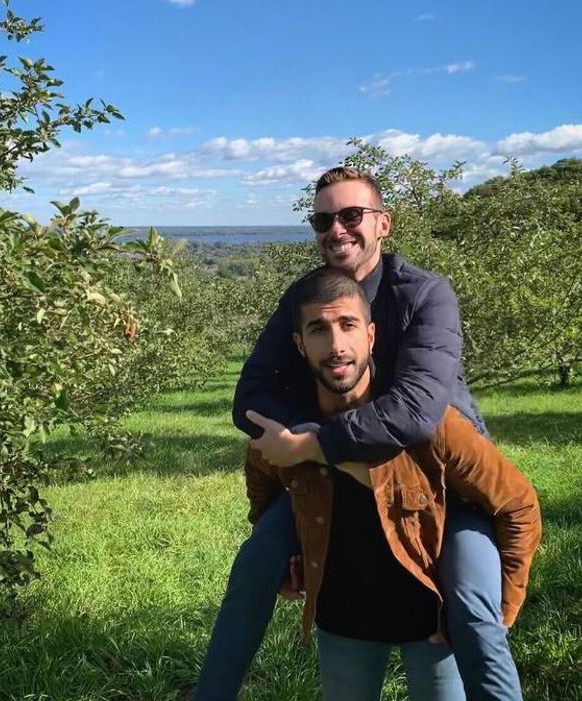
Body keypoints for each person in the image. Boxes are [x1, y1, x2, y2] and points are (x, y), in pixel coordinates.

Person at [193, 167, 523, 701]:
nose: (337, 229)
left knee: (469, 603)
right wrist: (312, 452)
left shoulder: (423, 294)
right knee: (257, 559)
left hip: (440, 474)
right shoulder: (309, 299)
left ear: (383, 224)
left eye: (351, 215)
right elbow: (251, 398)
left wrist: (308, 444)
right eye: (323, 219)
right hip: (341, 470)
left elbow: (415, 411)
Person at [241, 267, 540, 700]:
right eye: (319, 330)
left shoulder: (430, 425)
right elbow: (261, 479)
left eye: (348, 325)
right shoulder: (283, 429)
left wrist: (503, 609)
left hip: (431, 621)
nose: (337, 346)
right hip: (343, 619)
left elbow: (518, 505)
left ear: (372, 336)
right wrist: (283, 549)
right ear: (298, 344)